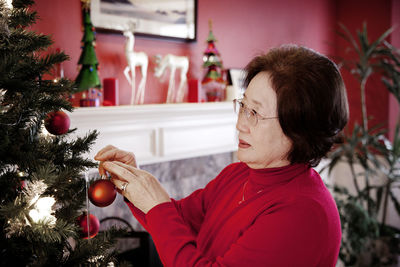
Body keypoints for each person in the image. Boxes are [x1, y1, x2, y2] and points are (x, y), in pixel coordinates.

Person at [95, 44, 349, 267]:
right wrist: (135, 181)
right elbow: (177, 221)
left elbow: (164, 218)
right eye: (243, 107)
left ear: (300, 128)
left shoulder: (303, 214)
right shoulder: (240, 173)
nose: (240, 124)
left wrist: (155, 204)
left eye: (255, 114)